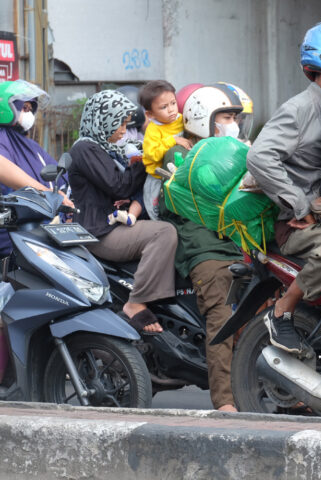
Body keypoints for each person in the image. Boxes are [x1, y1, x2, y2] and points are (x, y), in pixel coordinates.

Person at [246, 20, 321, 354]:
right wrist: (300, 204)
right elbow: (259, 157)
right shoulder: (301, 108)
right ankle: (282, 309)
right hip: (298, 224)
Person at [159, 82, 252, 412]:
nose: (233, 123)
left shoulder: (231, 152)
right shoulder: (180, 154)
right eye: (225, 116)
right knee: (221, 318)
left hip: (240, 246)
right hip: (206, 250)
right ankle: (225, 402)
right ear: (202, 119)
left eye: (234, 117)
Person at [68, 90, 177, 334]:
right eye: (120, 123)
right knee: (164, 233)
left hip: (114, 224)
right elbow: (120, 185)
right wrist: (146, 161)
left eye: (126, 124)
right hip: (101, 232)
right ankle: (136, 302)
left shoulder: (105, 148)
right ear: (102, 120)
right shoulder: (85, 149)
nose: (123, 130)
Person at [0, 80, 73, 258]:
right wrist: (47, 193)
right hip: (10, 234)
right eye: (23, 108)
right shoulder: (2, 137)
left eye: (29, 109)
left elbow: (57, 176)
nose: (28, 113)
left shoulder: (30, 145)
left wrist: (64, 202)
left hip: (38, 230)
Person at [139, 80, 193, 220]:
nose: (171, 109)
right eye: (164, 107)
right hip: (158, 178)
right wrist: (173, 140)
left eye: (173, 103)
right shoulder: (153, 130)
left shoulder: (182, 119)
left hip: (181, 174)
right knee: (155, 209)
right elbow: (152, 154)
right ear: (150, 114)